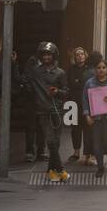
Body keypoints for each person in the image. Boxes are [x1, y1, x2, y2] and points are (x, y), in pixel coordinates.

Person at [27, 42, 69, 183]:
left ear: (54, 55)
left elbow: (66, 92)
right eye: (44, 54)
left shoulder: (60, 73)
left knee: (56, 143)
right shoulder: (35, 71)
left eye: (49, 54)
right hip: (43, 111)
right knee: (50, 141)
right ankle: (61, 169)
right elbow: (23, 78)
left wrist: (57, 92)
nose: (46, 57)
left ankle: (51, 171)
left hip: (57, 110)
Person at [82, 58, 107, 180]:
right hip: (96, 119)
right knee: (97, 145)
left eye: (103, 68)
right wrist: (87, 115)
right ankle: (100, 168)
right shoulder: (89, 83)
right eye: (98, 68)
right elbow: (84, 100)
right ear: (95, 69)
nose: (101, 70)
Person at [66, 48, 90, 165]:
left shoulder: (89, 69)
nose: (80, 56)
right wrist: (78, 83)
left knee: (87, 129)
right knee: (75, 128)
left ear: (85, 56)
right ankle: (76, 152)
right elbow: (70, 84)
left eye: (82, 54)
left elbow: (85, 84)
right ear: (74, 57)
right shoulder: (71, 69)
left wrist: (77, 83)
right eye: (77, 55)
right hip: (73, 102)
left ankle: (86, 154)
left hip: (86, 103)